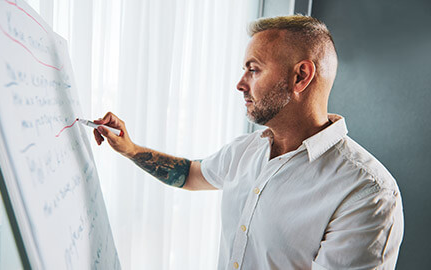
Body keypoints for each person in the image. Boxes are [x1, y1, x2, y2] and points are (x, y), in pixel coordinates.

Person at [93, 15, 404, 270]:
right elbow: (191, 174)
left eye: (253, 69)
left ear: (301, 77)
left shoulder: (367, 191)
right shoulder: (246, 150)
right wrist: (130, 149)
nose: (240, 84)